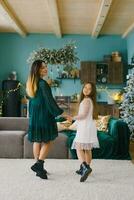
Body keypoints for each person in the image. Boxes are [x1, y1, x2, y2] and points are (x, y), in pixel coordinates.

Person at [26, 60, 63, 179]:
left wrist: (31, 117)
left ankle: (38, 168)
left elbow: (31, 103)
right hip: (44, 116)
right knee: (47, 141)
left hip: (35, 117)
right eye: (43, 68)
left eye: (46, 67)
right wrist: (60, 113)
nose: (45, 69)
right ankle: (39, 164)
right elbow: (50, 101)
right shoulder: (43, 83)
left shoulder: (31, 83)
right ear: (37, 70)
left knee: (37, 141)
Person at [67, 82, 99, 182]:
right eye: (85, 87)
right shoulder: (90, 101)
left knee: (79, 148)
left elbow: (83, 115)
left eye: (89, 89)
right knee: (87, 149)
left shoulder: (86, 101)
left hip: (84, 127)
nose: (86, 89)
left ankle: (85, 167)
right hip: (89, 127)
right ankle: (84, 169)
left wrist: (72, 117)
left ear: (92, 91)